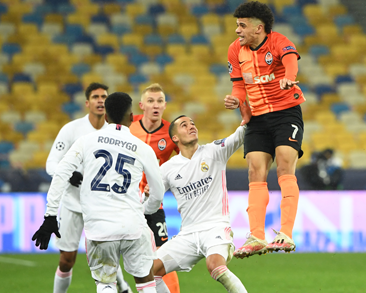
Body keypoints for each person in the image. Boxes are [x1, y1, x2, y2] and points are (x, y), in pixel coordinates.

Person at [33, 92, 167, 293]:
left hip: (99, 228)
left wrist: (50, 215)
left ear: (106, 117)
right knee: (146, 283)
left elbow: (61, 173)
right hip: (133, 225)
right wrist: (146, 209)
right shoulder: (143, 148)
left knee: (105, 284)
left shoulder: (86, 141)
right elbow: (158, 192)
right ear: (132, 117)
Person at [224, 1, 304, 258]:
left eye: (242, 25)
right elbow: (238, 85)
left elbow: (291, 60)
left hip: (285, 113)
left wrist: (289, 78)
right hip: (257, 117)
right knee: (255, 170)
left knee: (283, 166)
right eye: (237, 25)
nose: (237, 30)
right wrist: (236, 99)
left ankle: (285, 235)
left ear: (259, 28)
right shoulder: (235, 50)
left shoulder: (278, 42)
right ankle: (257, 236)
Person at [150, 101, 251, 293]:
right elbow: (153, 198)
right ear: (175, 137)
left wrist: (245, 119)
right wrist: (148, 194)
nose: (191, 126)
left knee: (215, 266)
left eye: (192, 123)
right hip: (187, 234)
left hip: (215, 227)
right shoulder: (167, 169)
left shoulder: (214, 151)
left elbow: (239, 136)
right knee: (149, 271)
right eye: (184, 125)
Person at [44, 83, 132, 293]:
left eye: (104, 96)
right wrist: (67, 174)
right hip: (73, 204)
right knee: (67, 260)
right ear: (87, 102)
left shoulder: (116, 132)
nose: (100, 100)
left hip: (102, 205)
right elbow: (51, 164)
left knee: (107, 253)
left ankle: (122, 287)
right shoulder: (72, 129)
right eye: (95, 97)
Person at [130, 83, 180, 293]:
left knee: (162, 256)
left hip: (153, 204)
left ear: (165, 105)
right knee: (132, 258)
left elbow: (186, 162)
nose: (155, 105)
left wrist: (164, 183)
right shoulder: (127, 126)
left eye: (159, 101)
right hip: (127, 202)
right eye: (150, 101)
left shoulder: (171, 132)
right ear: (141, 105)